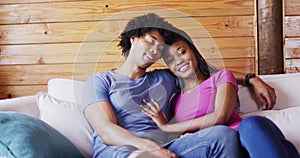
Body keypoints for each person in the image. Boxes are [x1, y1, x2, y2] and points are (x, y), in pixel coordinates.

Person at [82, 13, 246, 158]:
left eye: (159, 48)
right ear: (133, 39)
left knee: (222, 135)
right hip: (120, 150)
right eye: (151, 41)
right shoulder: (100, 81)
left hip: (167, 149)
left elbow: (207, 76)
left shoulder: (164, 78)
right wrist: (149, 148)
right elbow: (106, 130)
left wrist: (251, 79)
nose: (155, 50)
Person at [140, 28, 300, 158]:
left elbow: (221, 116)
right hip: (217, 151)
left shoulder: (221, 78)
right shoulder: (174, 100)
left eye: (182, 52)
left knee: (252, 124)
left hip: (247, 140)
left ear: (193, 51)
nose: (179, 61)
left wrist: (167, 127)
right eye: (171, 59)